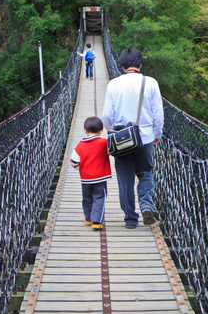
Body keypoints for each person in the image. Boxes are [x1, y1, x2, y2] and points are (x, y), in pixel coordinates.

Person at [101, 48, 164, 229]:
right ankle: (146, 205)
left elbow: (106, 116)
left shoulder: (113, 84)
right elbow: (158, 114)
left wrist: (113, 132)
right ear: (140, 64)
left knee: (125, 178)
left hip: (122, 140)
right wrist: (156, 135)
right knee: (145, 173)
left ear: (121, 66)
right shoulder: (151, 83)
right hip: (144, 138)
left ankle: (130, 217)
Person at [70, 116, 111, 230]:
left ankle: (88, 218)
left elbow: (74, 161)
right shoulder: (104, 142)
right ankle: (96, 221)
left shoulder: (80, 145)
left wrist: (80, 168)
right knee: (99, 197)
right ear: (101, 131)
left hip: (86, 178)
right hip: (100, 177)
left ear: (84, 130)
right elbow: (111, 151)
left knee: (87, 197)